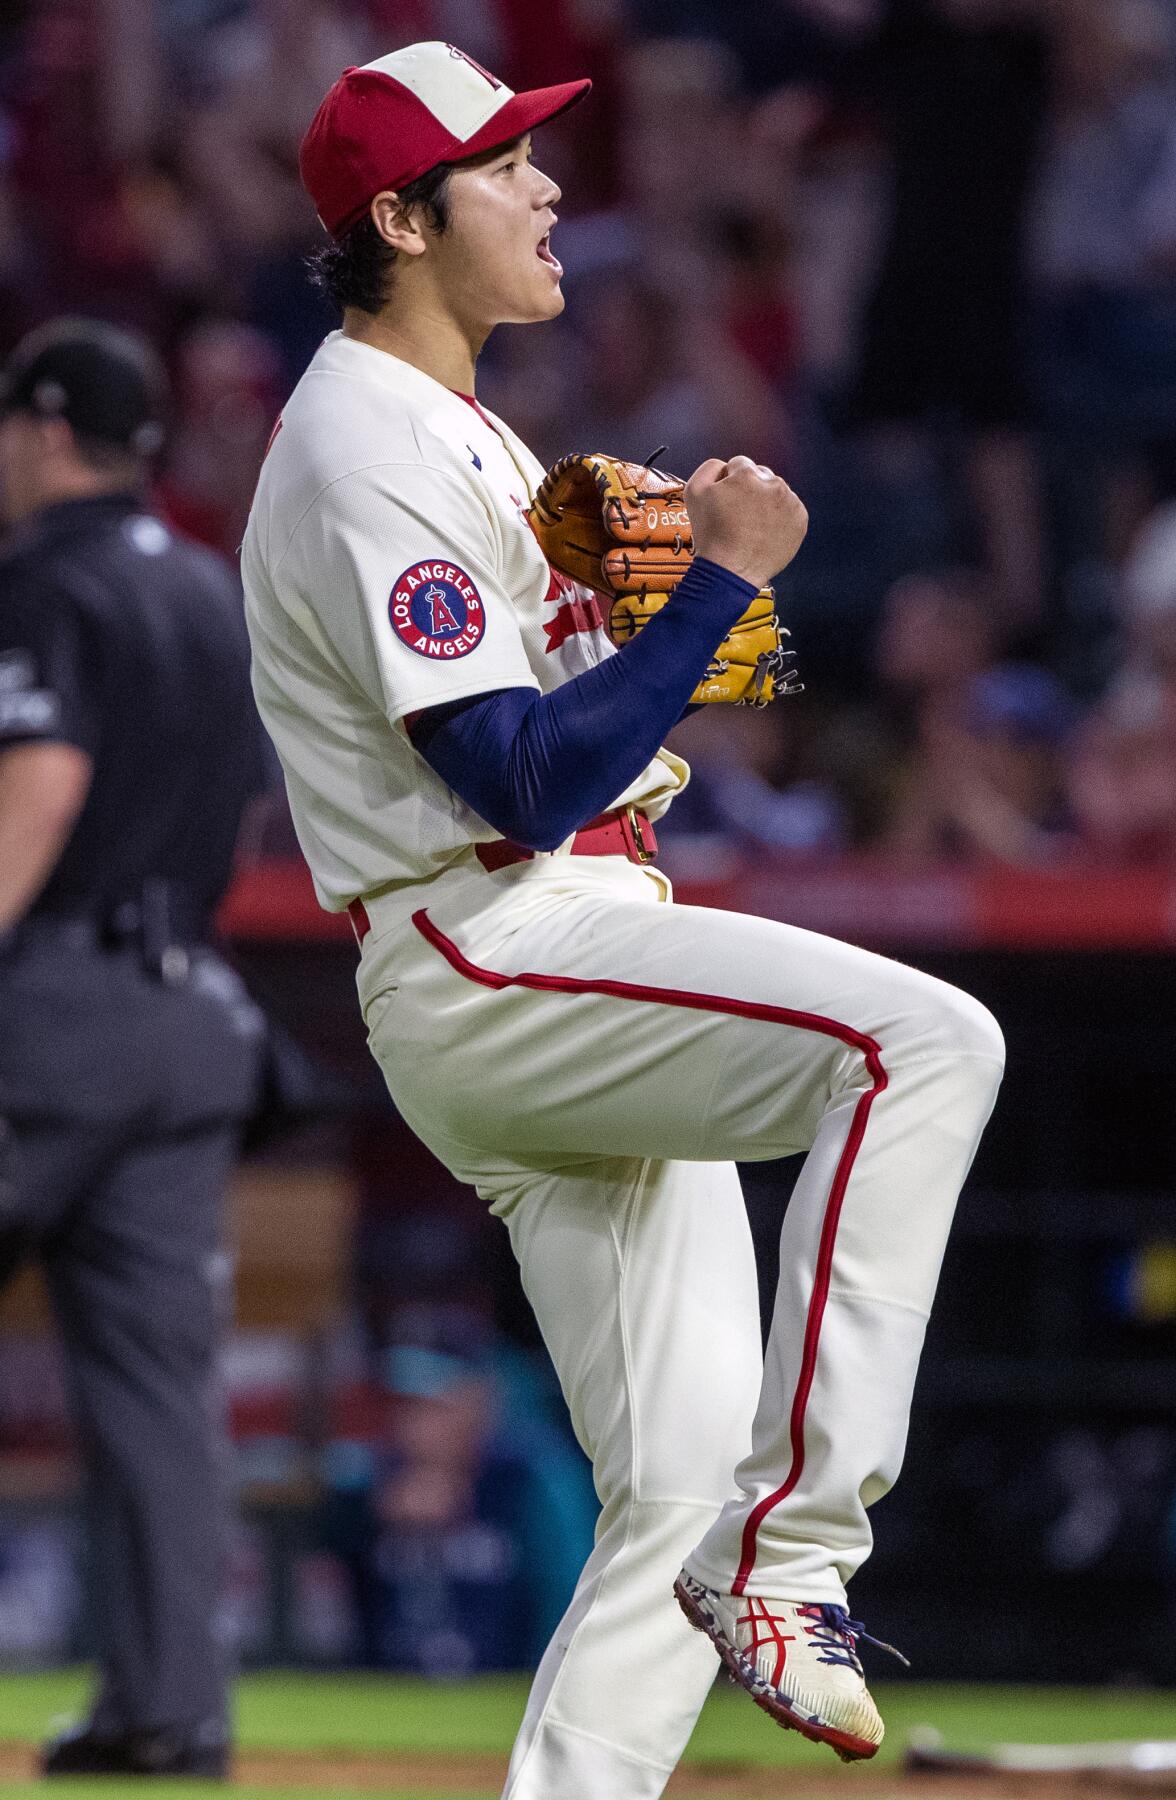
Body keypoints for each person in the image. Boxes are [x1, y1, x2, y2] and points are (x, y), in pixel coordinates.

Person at [242, 41, 1005, 1799]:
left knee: (668, 1488)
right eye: (504, 162)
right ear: (400, 218)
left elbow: (570, 736)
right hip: (494, 942)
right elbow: (514, 780)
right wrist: (718, 583)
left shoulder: (467, 431)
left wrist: (641, 630)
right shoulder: (364, 442)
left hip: (539, 931)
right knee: (924, 1042)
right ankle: (796, 1551)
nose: (547, 185)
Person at [0, 318, 266, 1779]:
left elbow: (40, 786)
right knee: (160, 1390)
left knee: (154, 1384)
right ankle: (169, 1713)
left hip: (49, 1008)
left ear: (44, 429)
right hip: (186, 1010)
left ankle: (158, 1706)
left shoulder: (43, 577)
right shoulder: (209, 592)